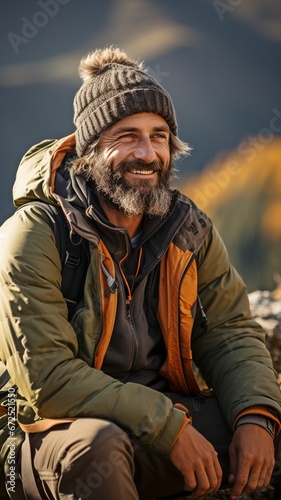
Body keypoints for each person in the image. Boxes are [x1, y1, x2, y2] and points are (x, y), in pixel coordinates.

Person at [0, 46, 280, 500]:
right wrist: (169, 427)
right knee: (98, 449)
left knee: (266, 431)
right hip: (41, 431)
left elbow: (229, 331)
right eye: (127, 136)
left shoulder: (188, 229)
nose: (147, 153)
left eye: (160, 136)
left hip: (155, 426)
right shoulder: (36, 232)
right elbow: (45, 379)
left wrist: (256, 416)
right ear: (90, 149)